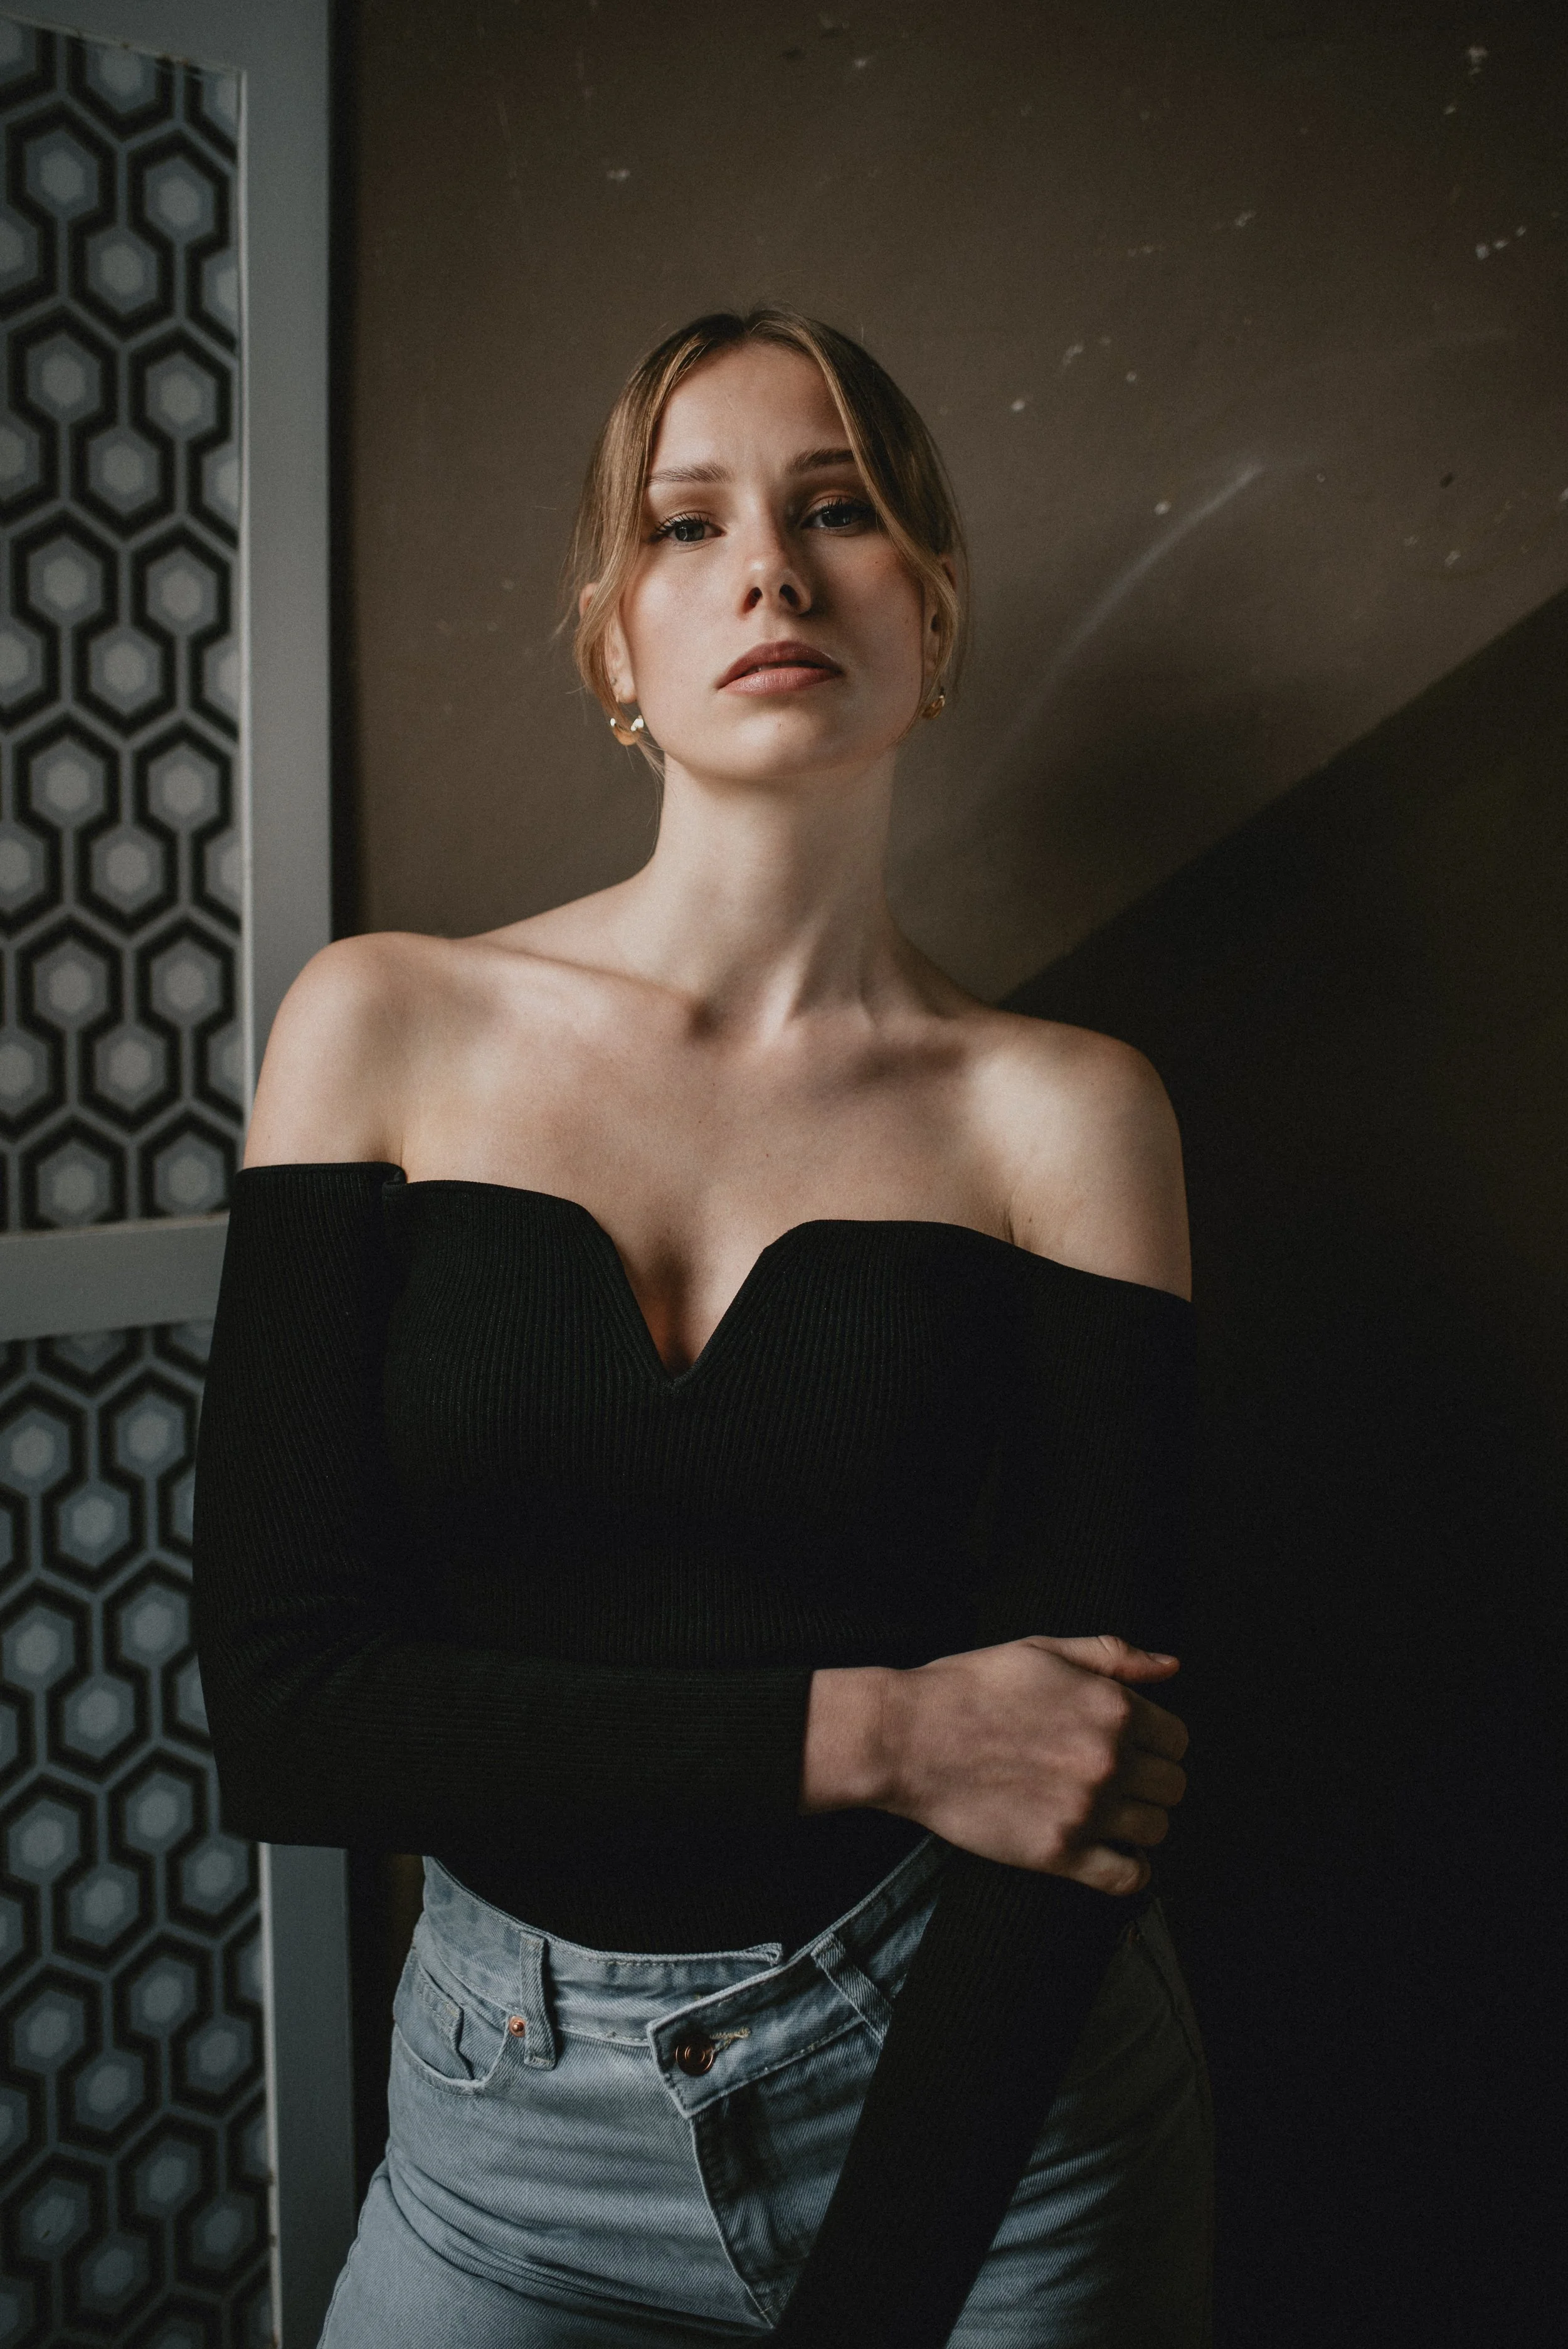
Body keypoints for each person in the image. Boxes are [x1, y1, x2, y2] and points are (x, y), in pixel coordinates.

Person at [192, 307, 1212, 2348]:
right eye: (686, 524)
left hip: (986, 2124)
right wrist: (891, 1730)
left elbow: (1074, 1796)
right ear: (612, 649)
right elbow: (291, 1711)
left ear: (927, 614)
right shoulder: (381, 1025)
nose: (769, 568)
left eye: (836, 510)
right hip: (501, 2141)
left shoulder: (1066, 1115)